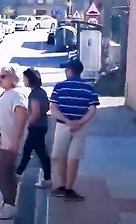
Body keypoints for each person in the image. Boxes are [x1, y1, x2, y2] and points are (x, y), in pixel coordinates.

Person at [49, 59, 99, 201]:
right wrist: (80, 122)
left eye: (67, 69)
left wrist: (67, 121)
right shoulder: (89, 88)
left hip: (63, 126)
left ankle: (63, 186)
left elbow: (54, 108)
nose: (65, 71)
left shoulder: (59, 87)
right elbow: (92, 108)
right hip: (80, 127)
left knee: (61, 156)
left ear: (70, 71)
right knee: (73, 158)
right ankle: (70, 189)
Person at [0, 65, 28, 220]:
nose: (0, 78)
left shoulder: (17, 95)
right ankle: (7, 203)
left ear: (14, 78)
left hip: (10, 142)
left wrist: (16, 141)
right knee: (7, 174)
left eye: (3, 76)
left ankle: (10, 205)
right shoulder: (6, 93)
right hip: (1, 141)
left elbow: (22, 117)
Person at [16, 68, 52, 189]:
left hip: (36, 127)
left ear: (30, 79)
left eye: (25, 78)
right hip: (42, 125)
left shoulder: (34, 95)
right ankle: (18, 173)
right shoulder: (42, 92)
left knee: (39, 153)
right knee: (29, 151)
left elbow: (35, 113)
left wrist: (28, 123)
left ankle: (46, 179)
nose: (23, 81)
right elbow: (47, 107)